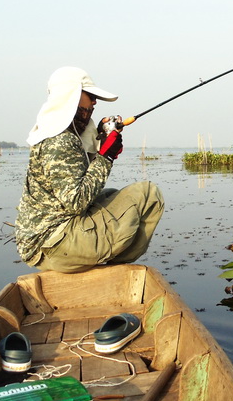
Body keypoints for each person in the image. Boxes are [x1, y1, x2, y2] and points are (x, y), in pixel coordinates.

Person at [15, 66, 164, 273]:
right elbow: (76, 202)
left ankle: (97, 258)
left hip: (44, 243)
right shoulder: (61, 140)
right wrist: (106, 157)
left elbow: (77, 172)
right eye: (90, 96)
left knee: (109, 195)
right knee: (148, 193)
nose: (94, 103)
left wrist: (101, 135)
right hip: (54, 247)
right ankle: (114, 267)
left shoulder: (54, 131)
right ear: (72, 96)